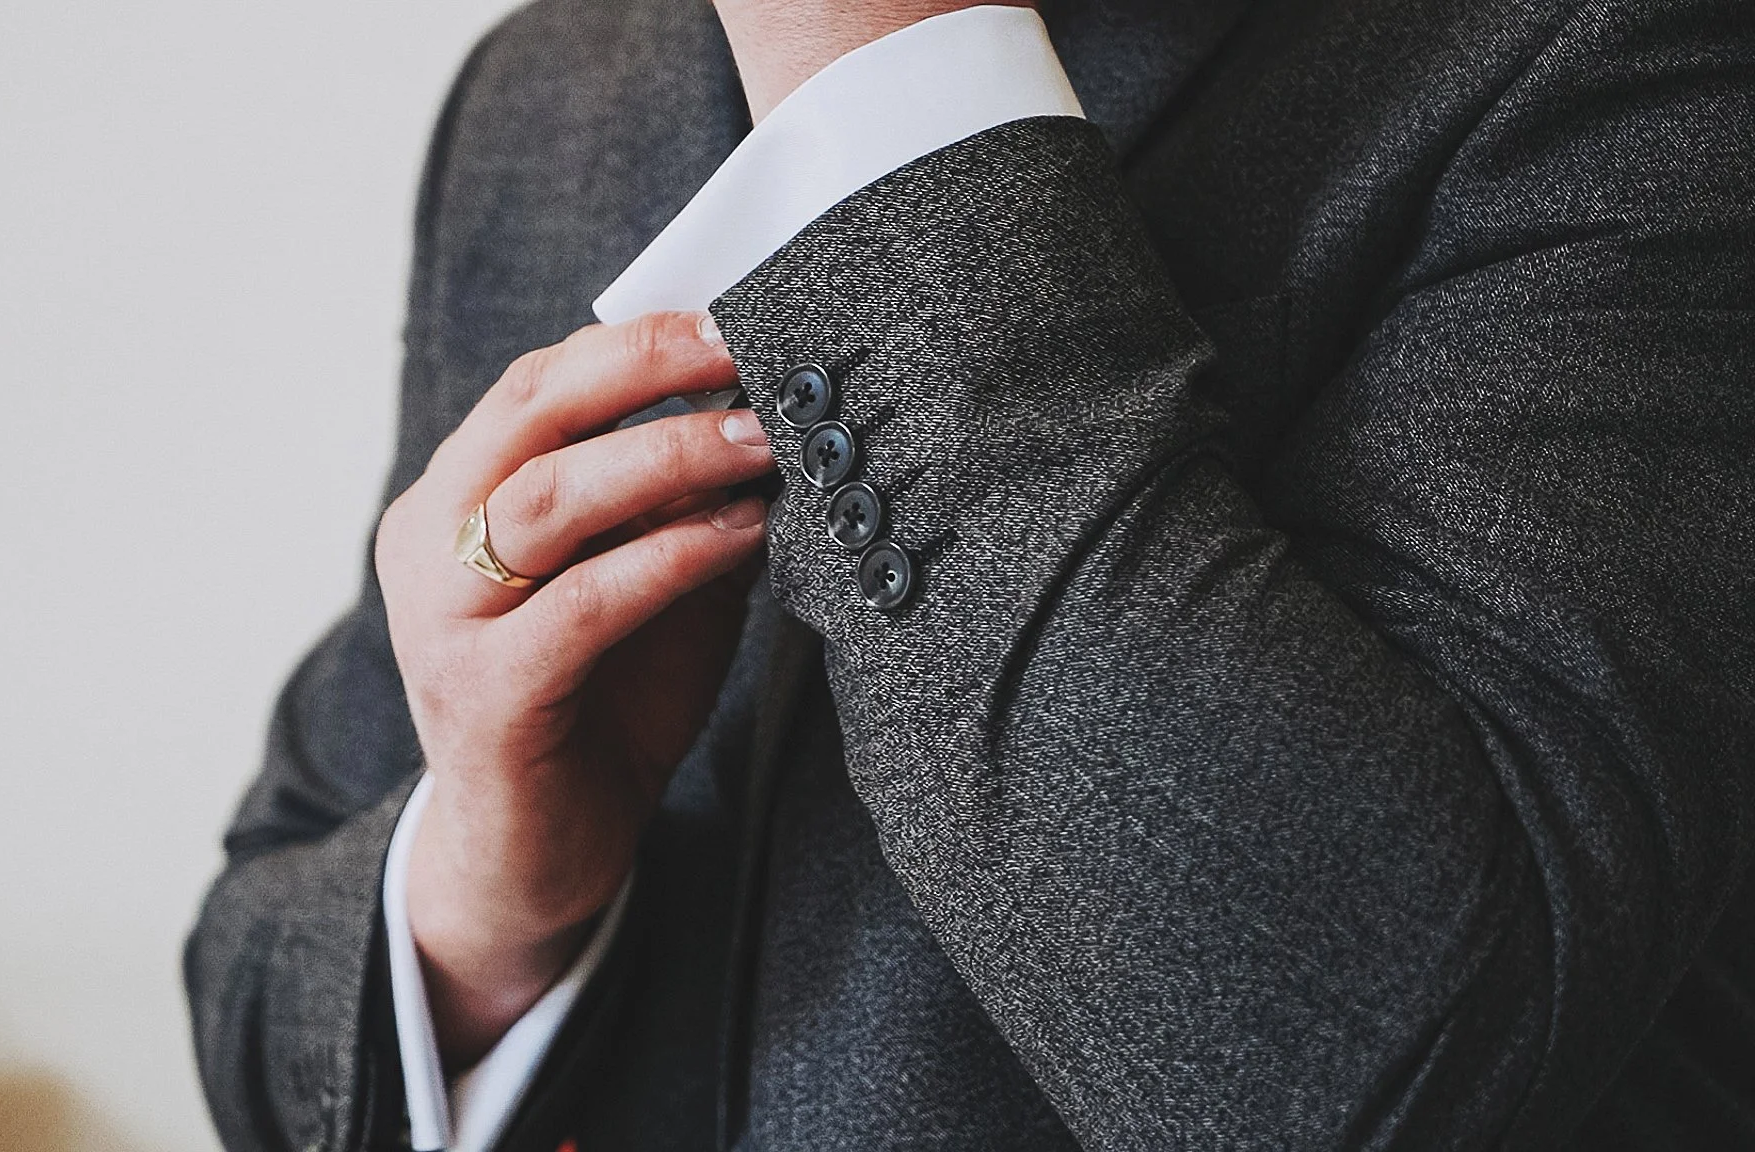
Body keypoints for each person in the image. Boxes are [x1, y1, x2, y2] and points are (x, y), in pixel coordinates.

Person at [184, 0, 1755, 1148]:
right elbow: (256, 1002)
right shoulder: (551, 91)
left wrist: (875, 85)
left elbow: (1362, 1072)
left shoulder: (1622, 52)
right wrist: (485, 907)